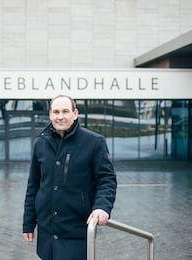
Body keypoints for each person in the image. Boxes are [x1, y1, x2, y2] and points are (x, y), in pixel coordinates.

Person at [22, 95, 117, 260]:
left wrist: (102, 207)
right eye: (56, 112)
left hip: (76, 230)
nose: (60, 116)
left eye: (65, 111)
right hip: (47, 232)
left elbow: (106, 179)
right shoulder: (40, 143)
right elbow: (34, 185)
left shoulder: (94, 142)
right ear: (50, 115)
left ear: (75, 113)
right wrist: (29, 223)